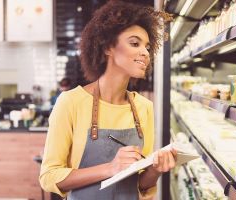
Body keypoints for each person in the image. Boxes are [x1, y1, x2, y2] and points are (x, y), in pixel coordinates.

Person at [39, 1, 175, 199]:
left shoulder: (143, 107)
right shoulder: (71, 102)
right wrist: (110, 168)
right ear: (107, 47)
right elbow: (49, 176)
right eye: (135, 43)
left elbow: (140, 184)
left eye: (147, 46)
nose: (145, 52)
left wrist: (155, 170)